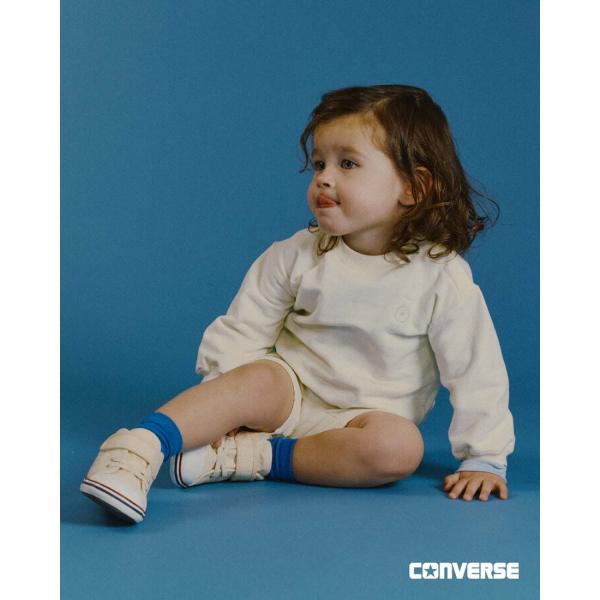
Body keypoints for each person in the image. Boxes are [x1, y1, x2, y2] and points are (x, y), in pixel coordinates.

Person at [80, 84, 515, 524]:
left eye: (348, 164)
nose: (324, 177)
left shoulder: (440, 277)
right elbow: (243, 329)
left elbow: (476, 370)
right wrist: (224, 409)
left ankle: (253, 458)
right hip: (287, 393)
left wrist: (484, 456)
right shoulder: (297, 255)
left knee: (399, 449)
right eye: (319, 163)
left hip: (361, 422)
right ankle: (137, 447)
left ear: (413, 187)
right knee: (254, 378)